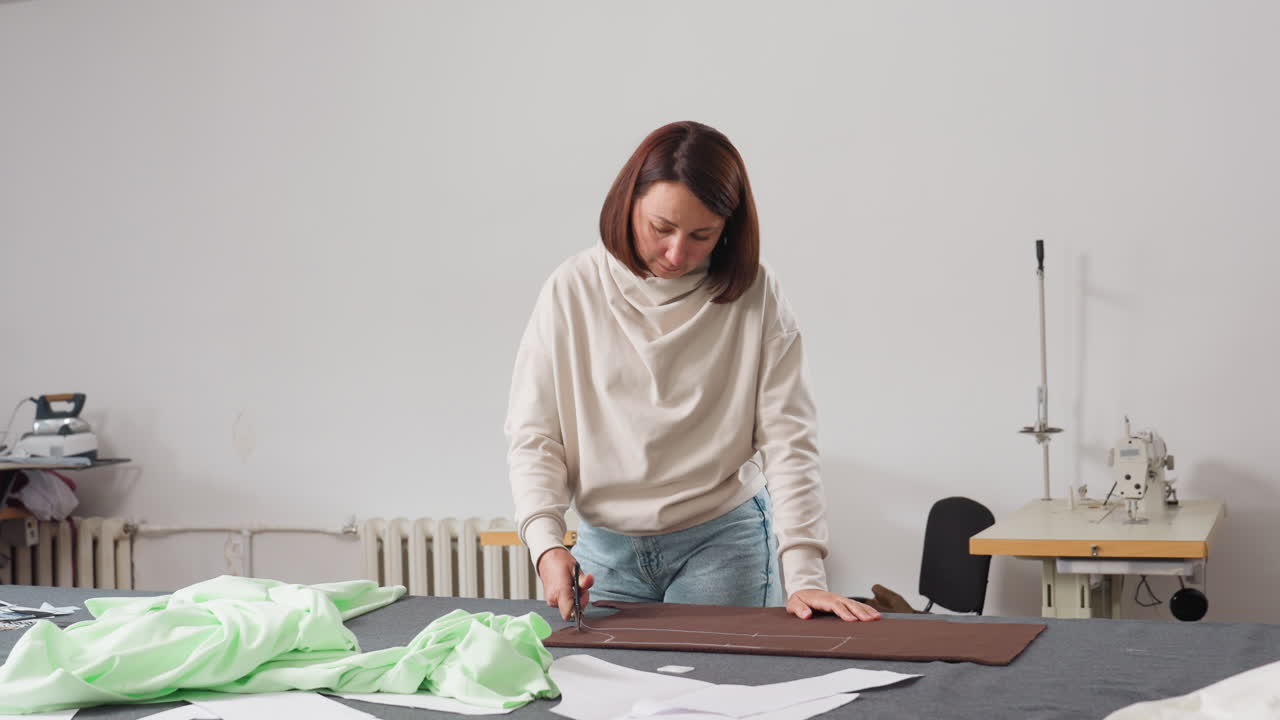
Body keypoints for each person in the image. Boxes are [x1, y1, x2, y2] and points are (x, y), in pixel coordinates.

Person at [505, 121, 879, 624]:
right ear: (628, 202)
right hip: (605, 551)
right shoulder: (572, 289)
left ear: (729, 228)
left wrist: (805, 575)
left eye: (702, 235)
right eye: (661, 228)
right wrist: (546, 545)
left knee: (719, 697)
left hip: (722, 542)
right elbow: (535, 436)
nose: (677, 254)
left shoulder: (755, 295)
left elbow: (789, 438)